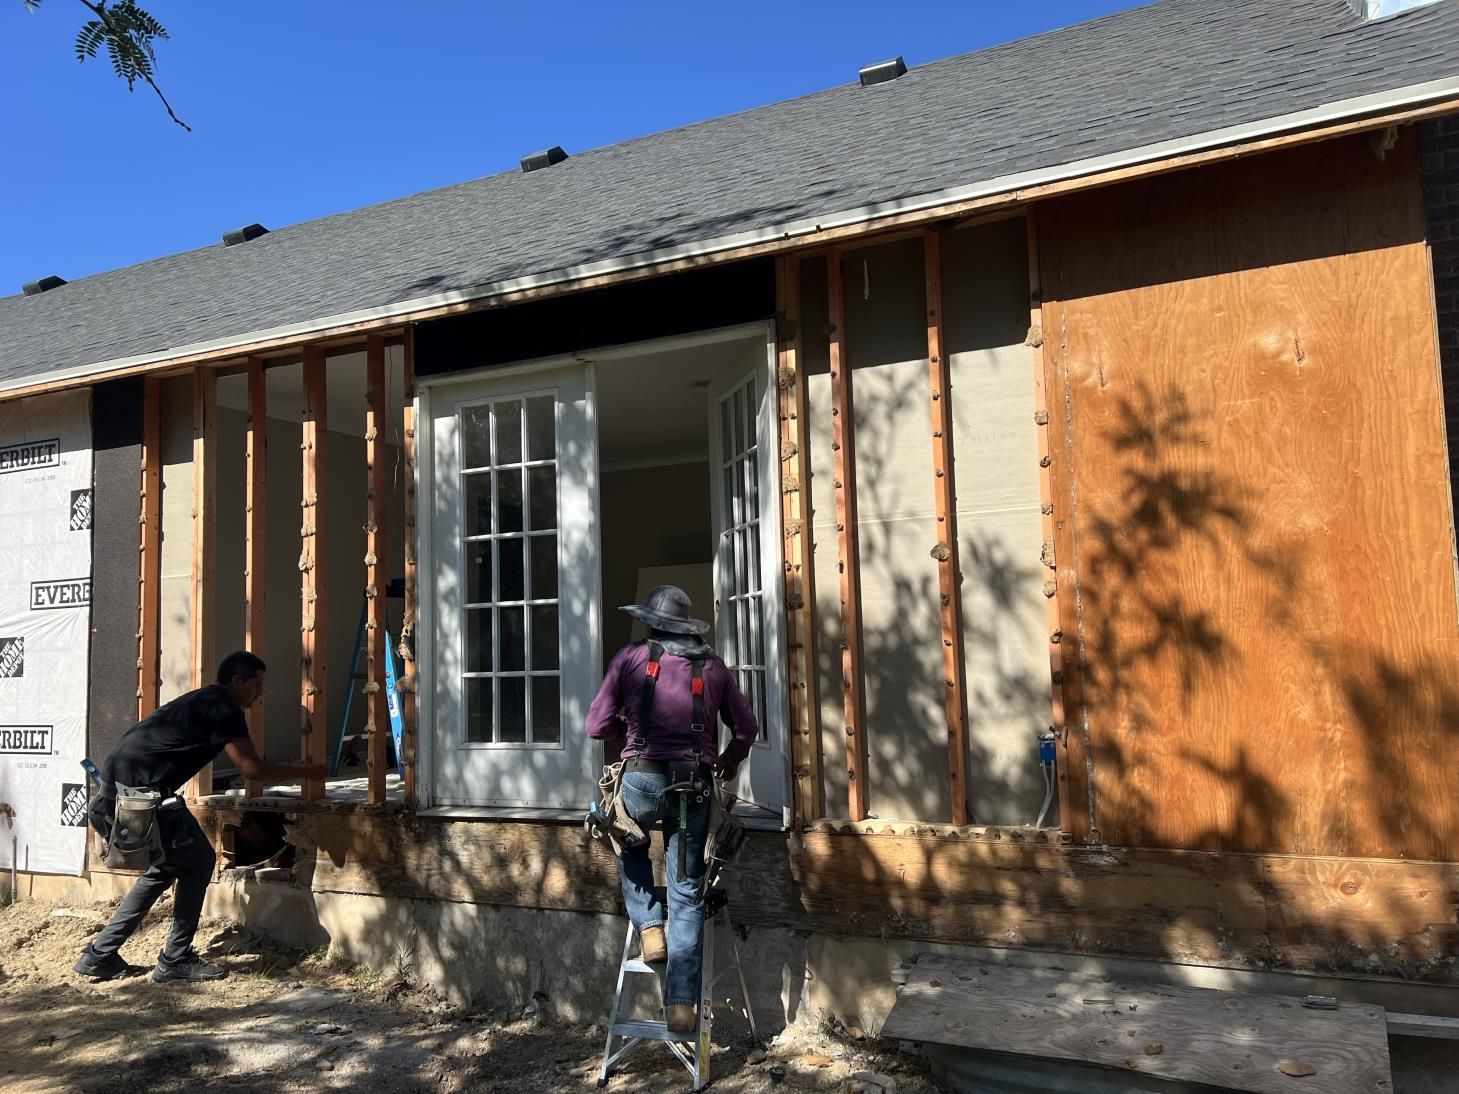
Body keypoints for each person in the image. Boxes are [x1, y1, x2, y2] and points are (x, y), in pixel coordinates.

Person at [73, 651, 325, 983]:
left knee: (164, 870)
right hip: (138, 803)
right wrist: (309, 772)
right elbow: (252, 769)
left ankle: (99, 955)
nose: (260, 693)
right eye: (256, 685)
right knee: (199, 862)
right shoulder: (224, 708)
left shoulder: (203, 700)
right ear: (237, 681)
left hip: (113, 801)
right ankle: (175, 960)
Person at [585, 585, 759, 1035]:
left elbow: (595, 726)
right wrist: (729, 760)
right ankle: (681, 1004)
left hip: (642, 779)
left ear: (651, 624)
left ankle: (648, 927)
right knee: (686, 889)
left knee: (628, 842)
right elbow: (747, 728)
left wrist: (629, 725)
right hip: (693, 786)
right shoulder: (713, 667)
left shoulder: (630, 658)